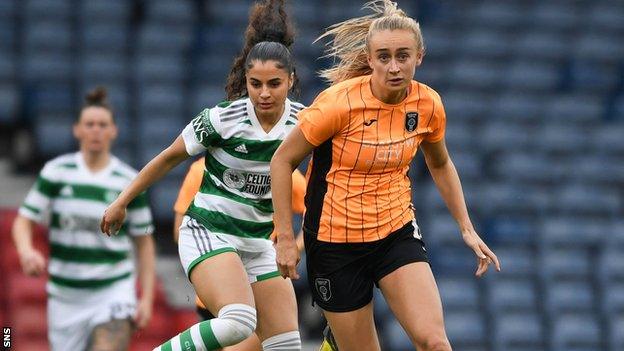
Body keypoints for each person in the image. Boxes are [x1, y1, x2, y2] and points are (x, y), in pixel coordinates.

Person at [270, 1, 501, 350]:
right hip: (334, 245)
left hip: (395, 234)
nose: (394, 66)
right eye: (384, 57)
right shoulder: (337, 105)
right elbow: (282, 162)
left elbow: (440, 164)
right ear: (370, 57)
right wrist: (286, 238)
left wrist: (466, 228)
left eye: (403, 56)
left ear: (419, 56)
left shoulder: (428, 105)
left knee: (435, 342)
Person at [101, 1, 304, 349]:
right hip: (210, 232)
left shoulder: (304, 122)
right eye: (255, 84)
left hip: (257, 244)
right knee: (238, 323)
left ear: (291, 81)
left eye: (274, 83)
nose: (264, 93)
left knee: (286, 344)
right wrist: (122, 200)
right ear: (245, 80)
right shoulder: (221, 118)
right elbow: (167, 159)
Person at [12, 87, 156, 351]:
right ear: (77, 130)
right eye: (89, 124)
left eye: (103, 125)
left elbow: (144, 243)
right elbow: (24, 220)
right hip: (65, 297)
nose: (96, 130)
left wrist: (146, 299)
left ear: (114, 131)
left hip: (113, 290)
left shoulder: (129, 182)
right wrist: (26, 251)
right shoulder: (56, 173)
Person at [171, 158, 308, 351]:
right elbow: (180, 231)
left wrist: (291, 248)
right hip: (213, 297)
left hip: (260, 286)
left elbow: (313, 213)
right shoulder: (200, 170)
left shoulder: (280, 169)